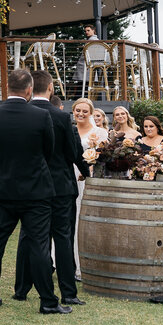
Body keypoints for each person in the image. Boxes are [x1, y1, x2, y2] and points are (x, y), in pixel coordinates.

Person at [0, 69, 67, 315]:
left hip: (3, 188)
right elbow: (47, 151)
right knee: (38, 245)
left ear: (8, 89)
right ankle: (48, 301)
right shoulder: (40, 117)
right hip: (35, 190)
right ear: (29, 90)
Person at [13, 70, 88, 308]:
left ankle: (22, 288)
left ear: (29, 87)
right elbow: (73, 151)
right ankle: (67, 292)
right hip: (60, 185)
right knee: (63, 238)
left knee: (29, 238)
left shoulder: (20, 114)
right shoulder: (61, 117)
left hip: (31, 187)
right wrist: (86, 170)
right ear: (51, 87)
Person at [70, 97, 109, 271]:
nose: (81, 114)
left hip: (88, 177)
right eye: (78, 110)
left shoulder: (99, 133)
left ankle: (84, 264)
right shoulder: (69, 130)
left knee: (84, 217)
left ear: (91, 113)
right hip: (69, 176)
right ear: (73, 111)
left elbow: (105, 157)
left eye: (85, 111)